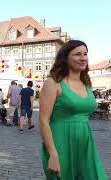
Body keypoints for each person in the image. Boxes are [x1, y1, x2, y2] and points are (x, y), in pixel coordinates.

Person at [39, 40, 107, 179]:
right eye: (77, 54)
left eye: (85, 54)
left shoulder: (87, 83)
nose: (83, 58)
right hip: (60, 143)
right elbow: (43, 120)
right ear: (65, 58)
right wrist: (53, 153)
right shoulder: (53, 83)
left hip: (85, 142)